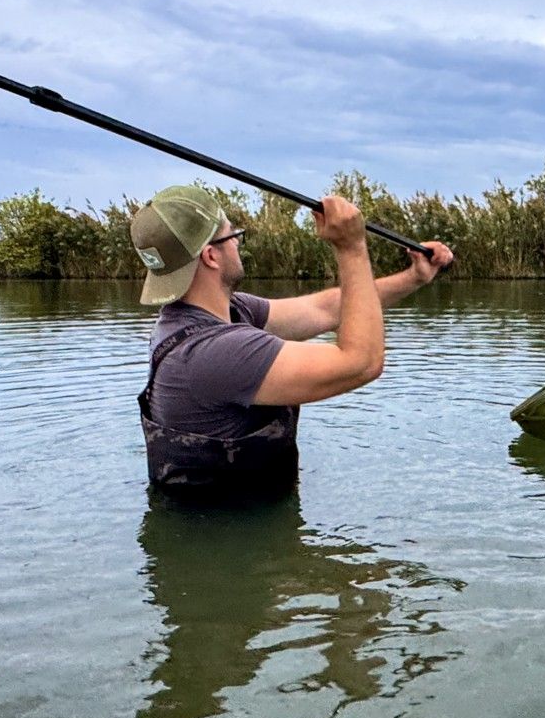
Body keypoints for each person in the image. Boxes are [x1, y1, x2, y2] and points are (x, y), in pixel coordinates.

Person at [130, 184, 454, 499]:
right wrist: (351, 247)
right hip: (228, 540)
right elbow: (362, 363)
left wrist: (415, 277)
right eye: (233, 236)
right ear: (211, 256)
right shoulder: (214, 353)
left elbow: (323, 308)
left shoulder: (219, 313)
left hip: (243, 522)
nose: (238, 245)